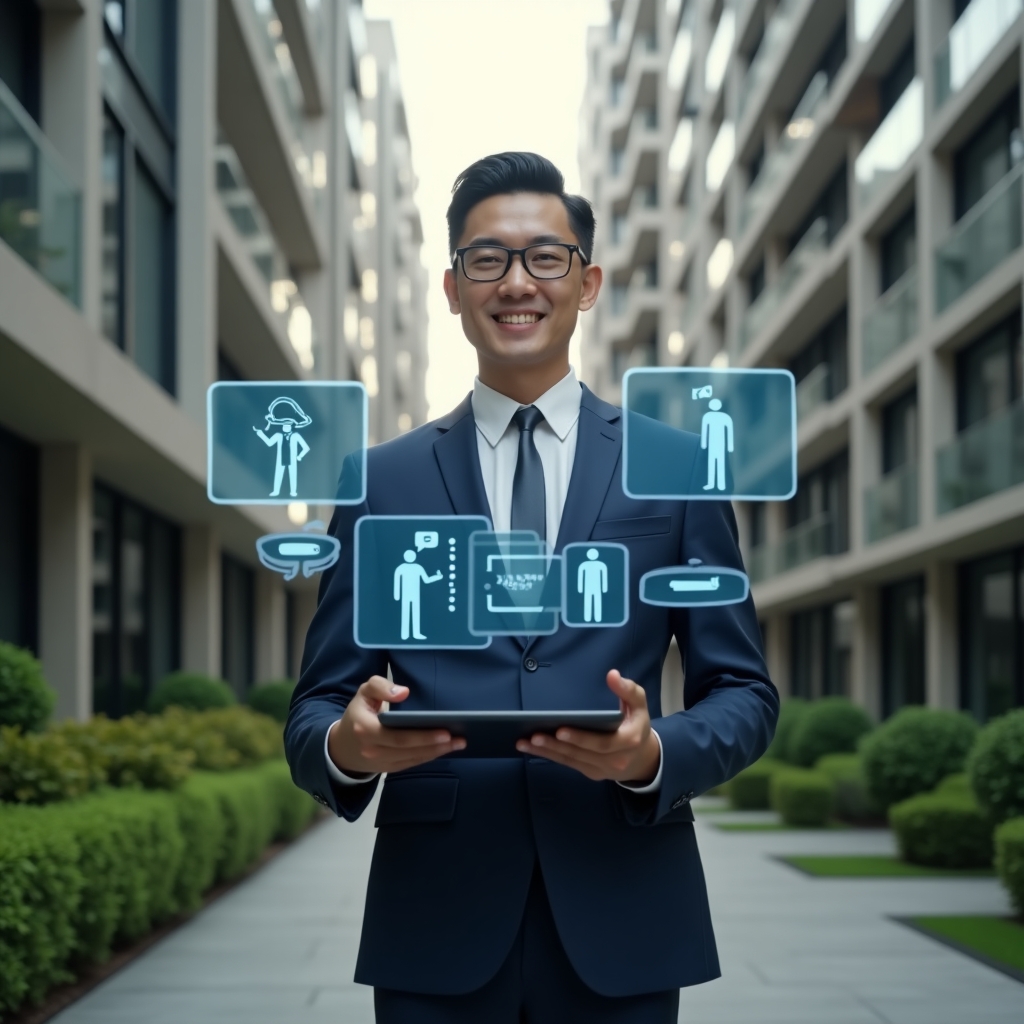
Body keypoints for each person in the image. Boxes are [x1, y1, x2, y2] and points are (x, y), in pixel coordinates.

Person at [286, 152, 777, 1023]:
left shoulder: (676, 473)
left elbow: (742, 691)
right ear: (451, 288)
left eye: (545, 258)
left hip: (623, 906)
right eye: (488, 260)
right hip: (434, 918)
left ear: (585, 284)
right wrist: (349, 748)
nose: (518, 282)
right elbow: (317, 706)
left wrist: (653, 754)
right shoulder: (380, 482)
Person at [394, 548, 442, 640]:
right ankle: (407, 634)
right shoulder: (411, 567)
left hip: (412, 595)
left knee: (411, 613)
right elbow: (397, 582)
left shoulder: (408, 567)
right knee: (408, 613)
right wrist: (397, 595)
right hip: (409, 595)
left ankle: (412, 634)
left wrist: (438, 577)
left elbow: (426, 580)